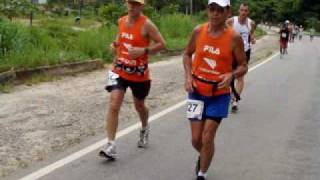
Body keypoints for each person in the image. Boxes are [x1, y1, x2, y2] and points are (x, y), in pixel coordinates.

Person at [183, 0, 248, 179]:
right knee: (196, 140)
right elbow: (187, 54)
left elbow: (243, 65)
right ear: (207, 10)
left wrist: (231, 75)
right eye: (212, 9)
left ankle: (202, 173)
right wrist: (188, 77)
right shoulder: (198, 31)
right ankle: (205, 155)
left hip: (218, 94)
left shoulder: (234, 38)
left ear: (228, 12)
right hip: (196, 91)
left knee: (207, 135)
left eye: (220, 10)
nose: (215, 13)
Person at [99, 0, 165, 160]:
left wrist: (144, 50)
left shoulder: (147, 24)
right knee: (114, 104)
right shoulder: (121, 21)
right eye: (130, 2)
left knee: (140, 106)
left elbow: (162, 44)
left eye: (136, 3)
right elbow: (119, 40)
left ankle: (144, 127)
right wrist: (115, 45)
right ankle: (111, 145)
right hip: (119, 69)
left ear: (142, 6)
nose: (132, 6)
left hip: (139, 74)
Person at [226, 2, 256, 113]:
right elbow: (222, 32)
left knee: (240, 77)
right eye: (242, 10)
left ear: (248, 12)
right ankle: (231, 93)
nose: (243, 12)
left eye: (246, 11)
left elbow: (251, 34)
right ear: (238, 11)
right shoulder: (231, 21)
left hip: (244, 53)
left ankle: (235, 100)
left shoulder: (251, 23)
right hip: (231, 53)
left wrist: (252, 38)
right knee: (229, 76)